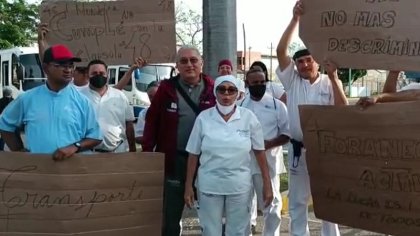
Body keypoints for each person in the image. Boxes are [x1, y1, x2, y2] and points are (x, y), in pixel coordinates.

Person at [275, 1, 348, 236]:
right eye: (300, 61)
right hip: (299, 150)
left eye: (309, 60)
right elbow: (280, 51)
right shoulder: (293, 81)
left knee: (327, 200)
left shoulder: (329, 82)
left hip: (325, 149)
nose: (305, 64)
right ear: (295, 65)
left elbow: (343, 108)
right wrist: (295, 19)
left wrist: (335, 77)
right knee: (297, 203)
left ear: (316, 61)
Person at [184, 75, 274, 236]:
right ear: (215, 92)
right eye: (222, 90)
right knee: (211, 231)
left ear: (238, 94)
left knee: (238, 231)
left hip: (239, 187)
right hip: (209, 186)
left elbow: (260, 152)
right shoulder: (204, 118)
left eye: (231, 90)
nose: (226, 95)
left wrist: (267, 184)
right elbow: (193, 154)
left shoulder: (248, 118)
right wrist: (188, 186)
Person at [142, 45, 216, 236]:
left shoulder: (215, 89)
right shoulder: (165, 90)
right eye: (183, 61)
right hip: (175, 161)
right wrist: (148, 155)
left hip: (207, 163)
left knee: (212, 218)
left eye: (193, 60)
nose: (189, 65)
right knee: (170, 219)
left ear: (202, 63)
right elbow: (152, 123)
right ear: (177, 66)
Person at [0, 44, 102, 158]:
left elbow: (95, 136)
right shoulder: (27, 98)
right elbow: (4, 124)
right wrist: (18, 150)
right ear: (45, 68)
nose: (68, 70)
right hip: (38, 168)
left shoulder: (83, 101)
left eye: (71, 66)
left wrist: (75, 146)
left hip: (73, 169)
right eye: (61, 65)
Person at [241, 68, 290, 236]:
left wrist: (269, 144)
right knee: (244, 204)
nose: (259, 85)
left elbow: (287, 134)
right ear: (247, 84)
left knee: (272, 205)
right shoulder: (240, 105)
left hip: (269, 163)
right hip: (245, 163)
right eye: (255, 83)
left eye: (263, 82)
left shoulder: (278, 105)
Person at [37, 23, 131, 90]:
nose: (84, 74)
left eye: (86, 71)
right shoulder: (66, 87)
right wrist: (41, 41)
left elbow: (117, 88)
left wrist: (131, 70)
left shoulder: (93, 90)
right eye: (80, 70)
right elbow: (47, 62)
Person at [80, 59, 136, 153]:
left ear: (107, 75)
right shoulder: (79, 96)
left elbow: (129, 124)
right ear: (87, 75)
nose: (98, 75)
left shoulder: (120, 95)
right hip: (88, 153)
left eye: (102, 73)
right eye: (94, 73)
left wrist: (133, 148)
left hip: (117, 152)